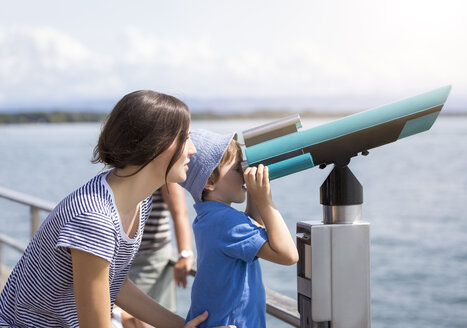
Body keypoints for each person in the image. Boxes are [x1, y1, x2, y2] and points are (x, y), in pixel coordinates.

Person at [0, 91, 229, 328]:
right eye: (185, 138)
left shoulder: (139, 202)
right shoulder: (95, 220)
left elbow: (116, 285)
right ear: (155, 145)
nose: (192, 149)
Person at [180, 129, 299, 328]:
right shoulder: (225, 220)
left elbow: (254, 228)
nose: (244, 174)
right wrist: (265, 200)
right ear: (210, 181)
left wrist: (255, 194)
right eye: (238, 169)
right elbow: (288, 255)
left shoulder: (210, 217)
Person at [129, 183, 194, 311]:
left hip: (152, 257)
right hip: (126, 256)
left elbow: (179, 212)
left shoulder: (163, 167)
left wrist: (185, 254)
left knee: (133, 313)